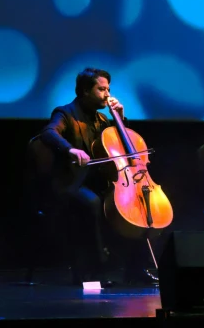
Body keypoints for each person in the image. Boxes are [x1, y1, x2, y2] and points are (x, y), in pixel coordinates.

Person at [35, 66, 150, 285]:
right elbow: (48, 133)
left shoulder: (101, 119)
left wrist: (120, 117)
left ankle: (135, 269)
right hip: (70, 183)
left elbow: (123, 144)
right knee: (92, 203)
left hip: (98, 181)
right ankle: (96, 271)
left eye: (108, 89)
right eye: (101, 89)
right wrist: (71, 149)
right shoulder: (65, 113)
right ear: (85, 91)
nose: (107, 94)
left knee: (135, 203)